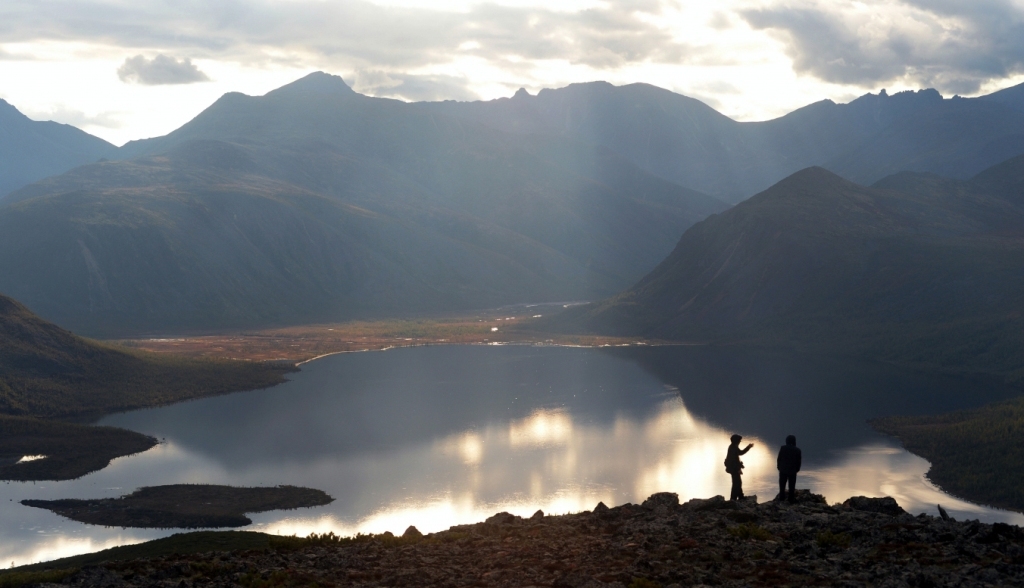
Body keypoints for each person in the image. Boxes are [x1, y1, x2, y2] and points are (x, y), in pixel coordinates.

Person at [724, 434, 754, 501]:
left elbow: (739, 454)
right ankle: (733, 499)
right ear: (736, 441)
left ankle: (740, 497)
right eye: (739, 441)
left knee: (737, 482)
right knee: (736, 483)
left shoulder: (733, 447)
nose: (740, 442)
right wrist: (738, 469)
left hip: (733, 468)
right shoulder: (733, 448)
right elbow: (738, 455)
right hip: (734, 469)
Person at [776, 435, 802, 502]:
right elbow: (798, 461)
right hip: (792, 471)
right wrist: (797, 469)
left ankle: (781, 498)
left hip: (783, 470)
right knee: (791, 486)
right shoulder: (797, 450)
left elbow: (779, 459)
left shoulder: (783, 448)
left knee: (782, 485)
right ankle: (791, 499)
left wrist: (779, 467)